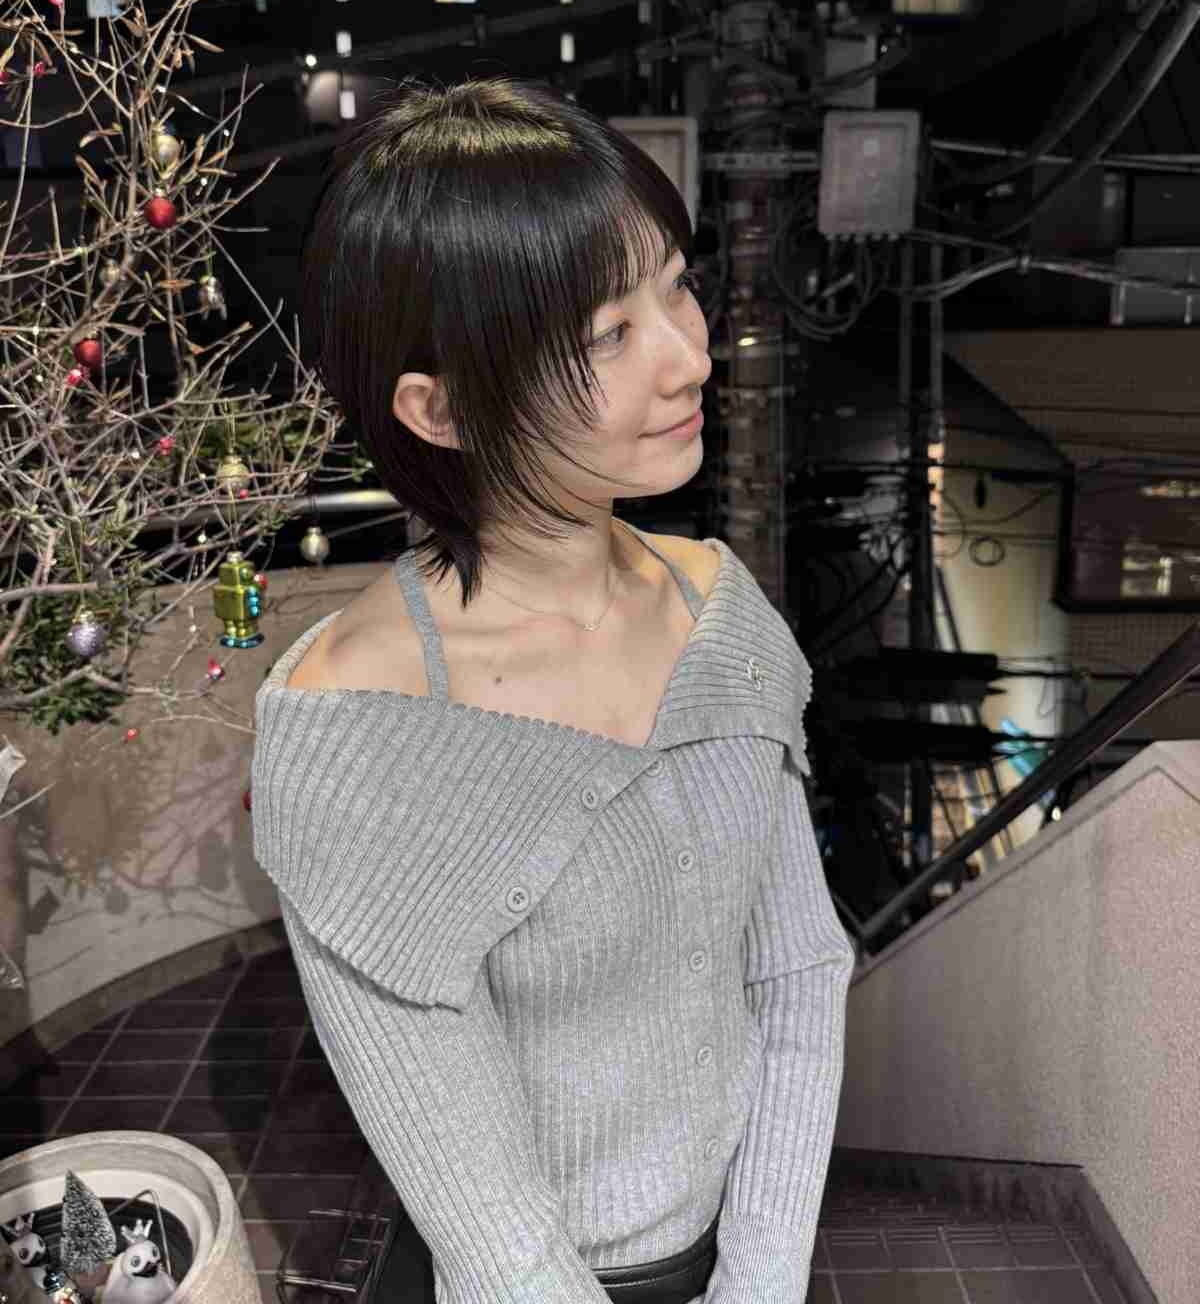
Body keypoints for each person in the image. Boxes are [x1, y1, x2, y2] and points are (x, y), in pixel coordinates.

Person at [250, 75, 857, 1304]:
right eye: (604, 336)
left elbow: (799, 970)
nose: (689, 355)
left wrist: (761, 1282)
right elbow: (488, 1222)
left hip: (742, 1255)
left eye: (676, 286)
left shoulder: (722, 612)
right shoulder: (356, 731)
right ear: (440, 408)